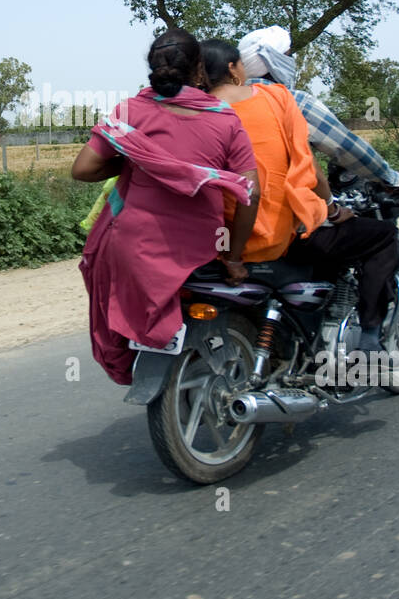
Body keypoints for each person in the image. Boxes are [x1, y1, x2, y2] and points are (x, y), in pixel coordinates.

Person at [72, 28, 259, 385]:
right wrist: (234, 258)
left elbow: (83, 169)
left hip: (133, 248)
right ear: (199, 70)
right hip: (202, 249)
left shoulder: (128, 112)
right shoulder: (224, 118)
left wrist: (133, 162)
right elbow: (251, 191)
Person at [202, 40, 399, 351]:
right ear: (232, 68)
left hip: (212, 242)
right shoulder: (279, 97)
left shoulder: (189, 110)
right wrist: (334, 209)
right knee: (383, 234)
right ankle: (370, 338)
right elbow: (314, 163)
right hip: (275, 237)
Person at [237, 26, 399, 191]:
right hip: (284, 208)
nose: (291, 61)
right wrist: (390, 177)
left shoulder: (224, 101)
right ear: (274, 61)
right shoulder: (294, 101)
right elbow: (345, 146)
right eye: (287, 56)